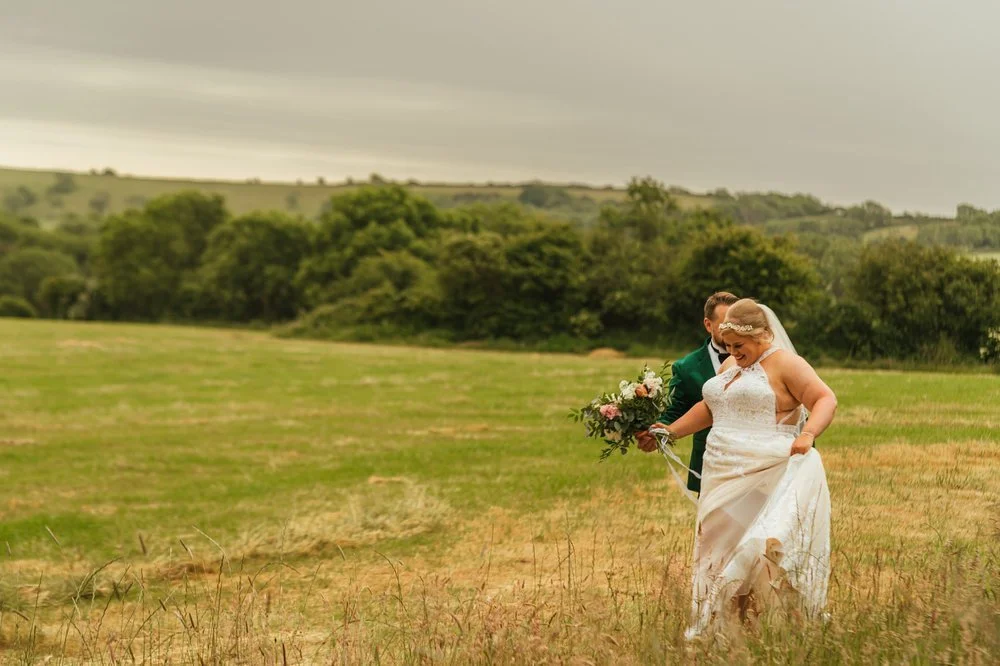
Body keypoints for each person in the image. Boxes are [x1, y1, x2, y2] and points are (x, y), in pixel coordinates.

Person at [646, 298, 837, 637]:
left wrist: (808, 433)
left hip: (764, 471)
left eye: (739, 345)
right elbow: (709, 407)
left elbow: (825, 398)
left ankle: (770, 624)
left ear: (763, 335)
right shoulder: (730, 368)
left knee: (754, 546)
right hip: (721, 472)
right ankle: (719, 623)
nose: (733, 352)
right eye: (728, 345)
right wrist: (669, 431)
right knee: (716, 546)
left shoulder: (787, 364)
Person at [636, 292, 740, 495]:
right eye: (725, 325)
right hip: (711, 463)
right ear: (708, 325)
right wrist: (654, 434)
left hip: (754, 459)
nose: (732, 331)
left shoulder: (758, 358)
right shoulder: (687, 367)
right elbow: (675, 411)